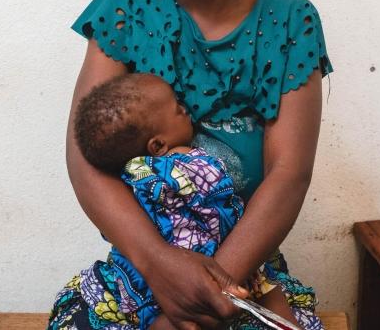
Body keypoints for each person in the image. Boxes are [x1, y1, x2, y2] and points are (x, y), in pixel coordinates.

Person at [58, 0, 332, 330]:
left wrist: (214, 289)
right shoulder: (127, 7)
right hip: (140, 267)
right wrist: (161, 269)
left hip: (247, 270)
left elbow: (289, 172)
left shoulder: (293, 20)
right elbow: (84, 155)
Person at [52, 72, 293, 329]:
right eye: (178, 108)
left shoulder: (125, 182)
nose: (185, 109)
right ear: (157, 145)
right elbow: (227, 217)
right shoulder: (194, 168)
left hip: (137, 289)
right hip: (213, 273)